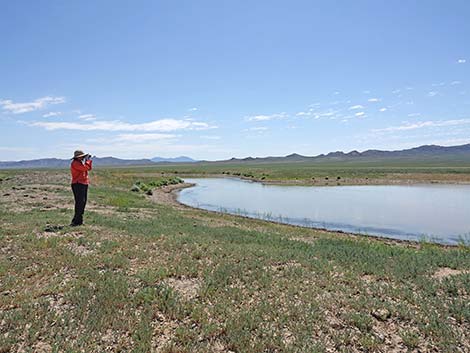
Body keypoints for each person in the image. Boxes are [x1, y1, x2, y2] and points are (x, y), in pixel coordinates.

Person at [70, 150, 92, 226]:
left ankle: (79, 220)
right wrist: (88, 161)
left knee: (82, 202)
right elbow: (86, 168)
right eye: (82, 156)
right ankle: (76, 221)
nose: (83, 157)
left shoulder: (79, 163)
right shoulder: (75, 163)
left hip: (82, 184)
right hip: (78, 184)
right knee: (80, 203)